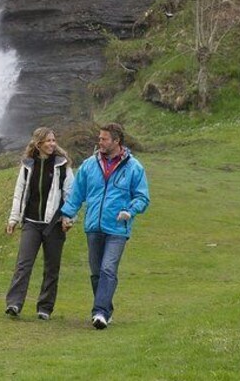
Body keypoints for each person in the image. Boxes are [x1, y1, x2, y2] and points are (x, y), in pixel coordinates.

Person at [59, 122, 149, 329]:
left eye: (104, 139)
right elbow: (77, 194)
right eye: (99, 138)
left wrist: (131, 211)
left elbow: (143, 197)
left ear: (116, 141)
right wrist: (67, 215)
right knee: (96, 272)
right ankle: (105, 310)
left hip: (118, 228)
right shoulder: (89, 165)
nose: (99, 141)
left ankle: (99, 312)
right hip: (93, 226)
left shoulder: (134, 167)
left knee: (108, 269)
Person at [4, 127, 73, 320]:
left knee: (52, 267)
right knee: (23, 264)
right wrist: (13, 219)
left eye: (54, 140)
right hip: (31, 222)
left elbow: (70, 194)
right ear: (38, 144)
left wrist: (68, 218)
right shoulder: (27, 165)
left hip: (54, 223)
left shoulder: (62, 165)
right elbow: (19, 194)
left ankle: (45, 308)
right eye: (48, 141)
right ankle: (14, 304)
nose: (52, 144)